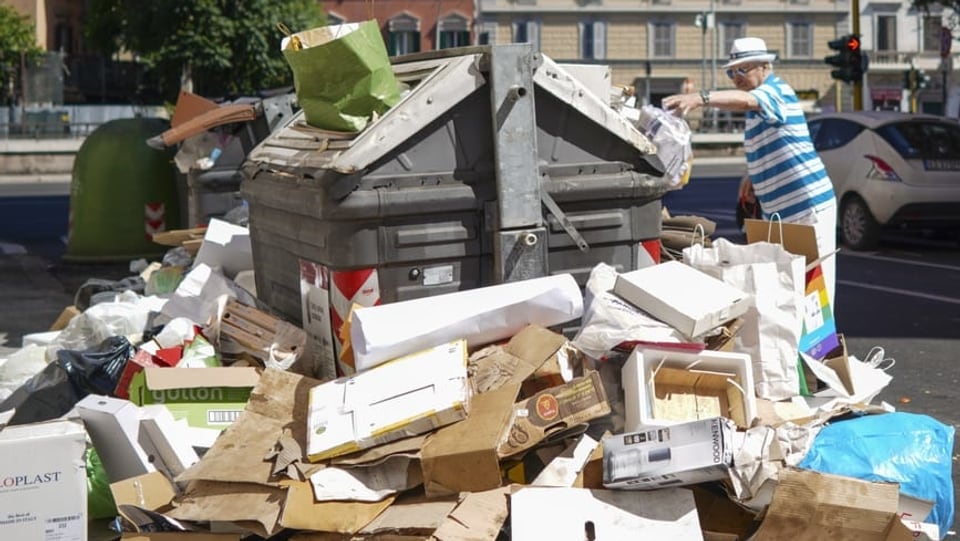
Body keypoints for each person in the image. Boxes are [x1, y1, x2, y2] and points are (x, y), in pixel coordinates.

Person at [662, 37, 838, 308]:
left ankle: (822, 350)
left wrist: (701, 98)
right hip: (779, 215)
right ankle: (799, 348)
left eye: (741, 70)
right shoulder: (759, 107)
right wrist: (751, 175)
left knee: (814, 291)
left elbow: (746, 101)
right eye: (731, 72)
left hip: (807, 208)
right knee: (788, 289)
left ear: (765, 66)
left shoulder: (775, 90)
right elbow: (770, 142)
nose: (735, 78)